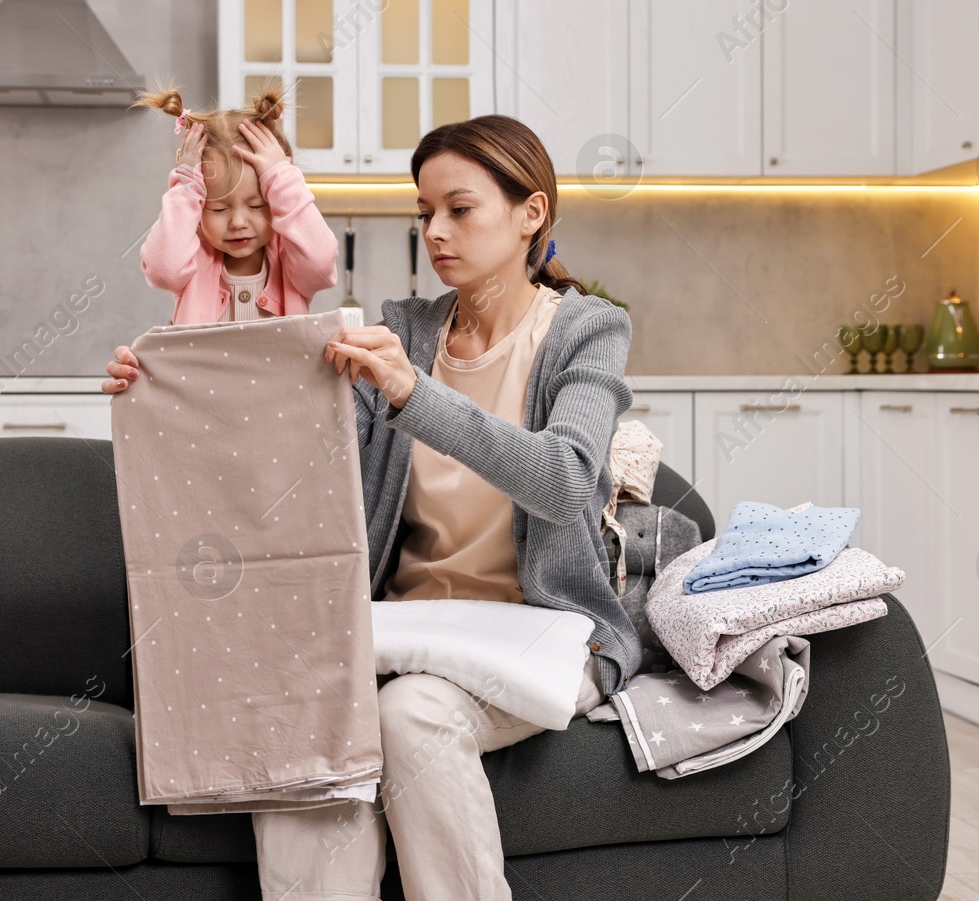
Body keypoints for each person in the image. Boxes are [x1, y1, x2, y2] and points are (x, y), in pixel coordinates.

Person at [103, 114, 639, 899]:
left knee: (411, 715)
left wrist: (416, 396)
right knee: (312, 711)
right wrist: (162, 390)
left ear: (532, 214)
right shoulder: (405, 330)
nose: (436, 231)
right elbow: (285, 467)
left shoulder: (586, 331)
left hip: (543, 631)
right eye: (425, 212)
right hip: (403, 629)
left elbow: (566, 480)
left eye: (460, 209)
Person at [129, 84, 338, 328]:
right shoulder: (192, 259)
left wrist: (281, 176)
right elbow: (161, 270)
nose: (238, 222)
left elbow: (322, 261)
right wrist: (186, 188)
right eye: (219, 209)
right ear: (198, 210)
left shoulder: (292, 259)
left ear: (277, 201)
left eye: (257, 205)